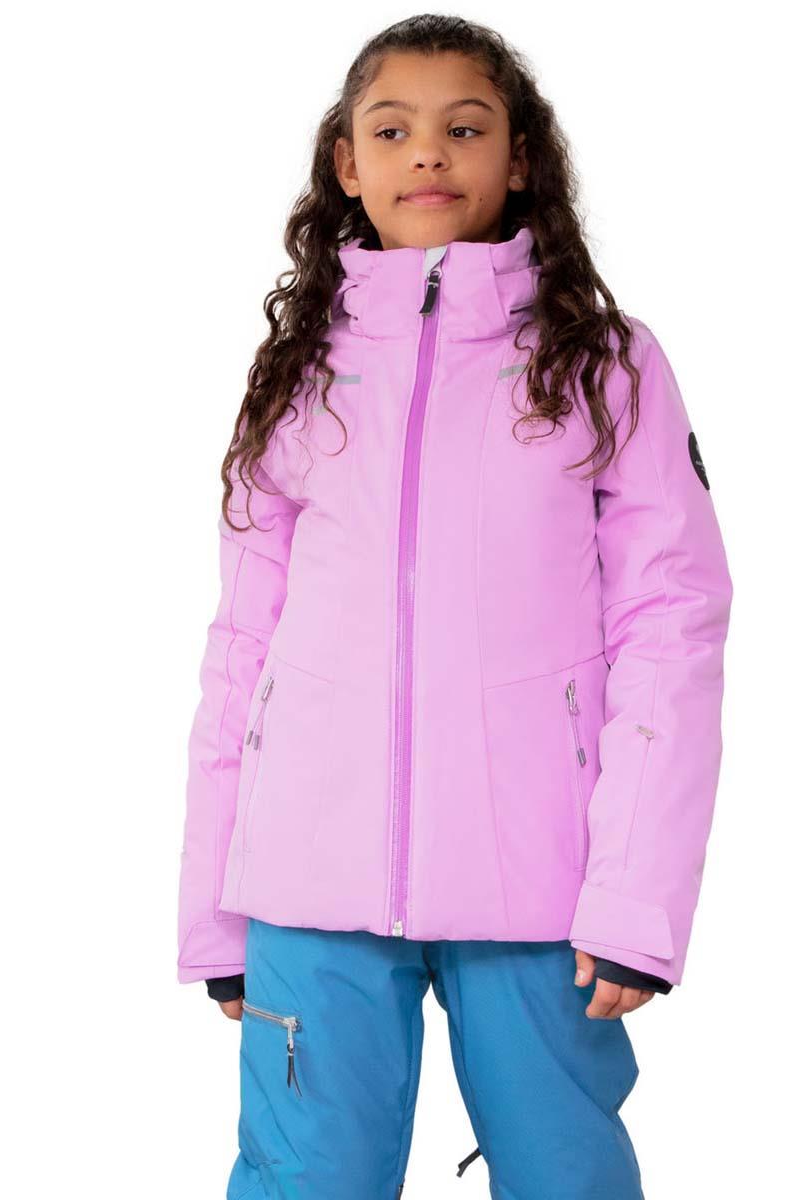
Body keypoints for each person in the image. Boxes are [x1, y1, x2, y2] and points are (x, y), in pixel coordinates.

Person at [176, 14, 733, 1199]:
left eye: (464, 128)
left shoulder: (604, 363)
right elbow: (240, 650)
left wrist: (636, 898)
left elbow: (670, 626)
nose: (427, 152)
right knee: (301, 1178)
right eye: (392, 131)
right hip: (306, 877)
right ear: (347, 165)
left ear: (520, 159)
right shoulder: (299, 372)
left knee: (565, 1175)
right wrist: (215, 910)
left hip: (540, 878)